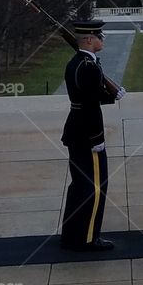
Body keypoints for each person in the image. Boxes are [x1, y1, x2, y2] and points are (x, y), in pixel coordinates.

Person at [59, 20, 126, 251]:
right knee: (94, 188)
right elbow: (89, 105)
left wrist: (110, 95)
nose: (102, 39)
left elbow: (89, 95)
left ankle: (71, 235)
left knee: (79, 185)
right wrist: (97, 139)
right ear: (88, 39)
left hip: (76, 131)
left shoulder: (79, 62)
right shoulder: (88, 66)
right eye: (99, 36)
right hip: (87, 134)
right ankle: (88, 238)